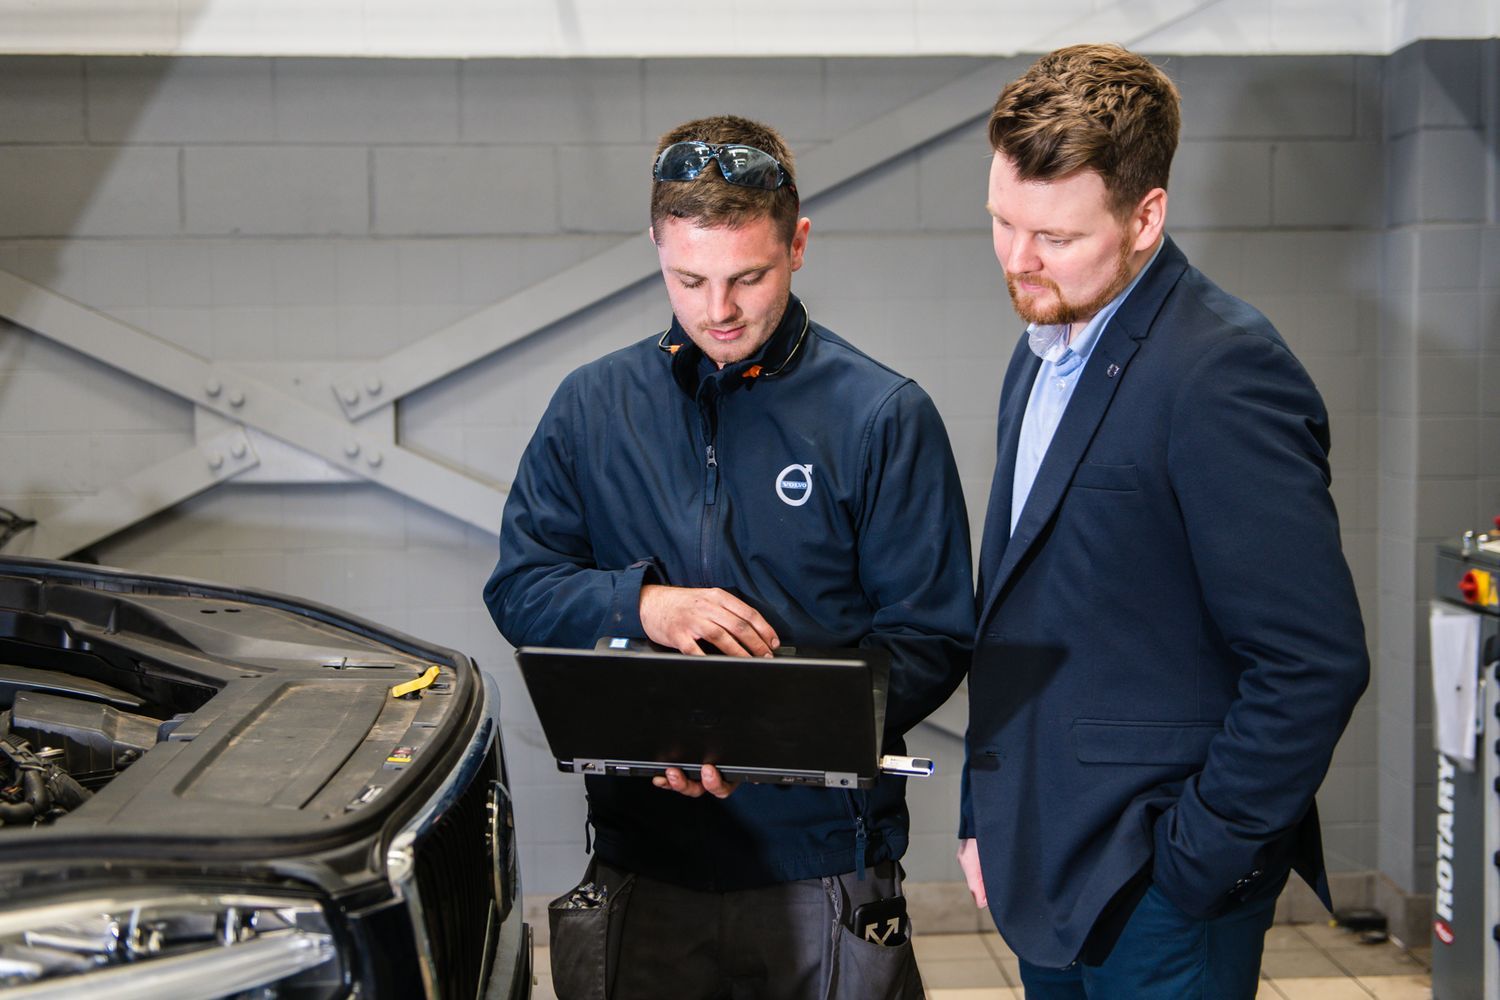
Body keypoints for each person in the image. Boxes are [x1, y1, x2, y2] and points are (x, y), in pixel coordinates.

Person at [485, 114, 974, 1000]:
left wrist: (763, 736)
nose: (719, 310)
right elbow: (521, 585)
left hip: (822, 867)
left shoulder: (882, 416)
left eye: (749, 277)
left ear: (798, 245)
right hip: (643, 862)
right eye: (690, 279)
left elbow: (931, 638)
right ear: (656, 248)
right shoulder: (590, 407)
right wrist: (645, 606)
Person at [957, 44, 1370, 999]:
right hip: (1045, 861)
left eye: (1054, 236)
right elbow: (1020, 615)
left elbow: (1312, 663)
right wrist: (989, 812)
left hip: (1158, 891)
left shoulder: (1222, 370)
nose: (1018, 260)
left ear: (1145, 217)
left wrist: (1194, 863)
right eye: (1002, 222)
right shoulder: (1043, 346)